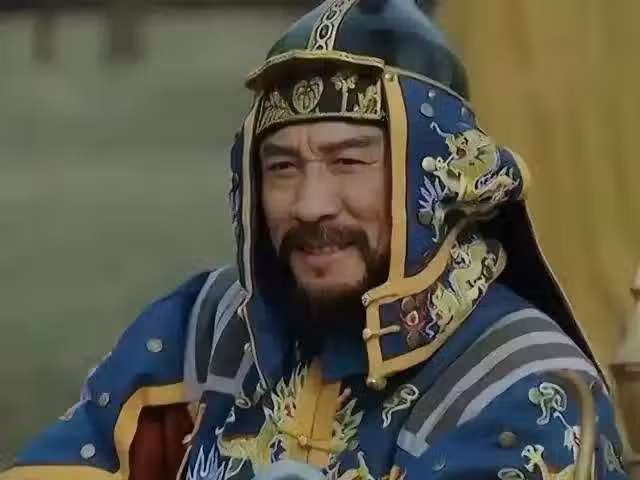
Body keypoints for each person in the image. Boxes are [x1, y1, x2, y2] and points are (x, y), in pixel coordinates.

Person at [1, 1, 628, 479]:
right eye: (282, 167)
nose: (309, 204)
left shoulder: (524, 387)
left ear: (432, 176)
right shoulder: (209, 330)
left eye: (348, 162)